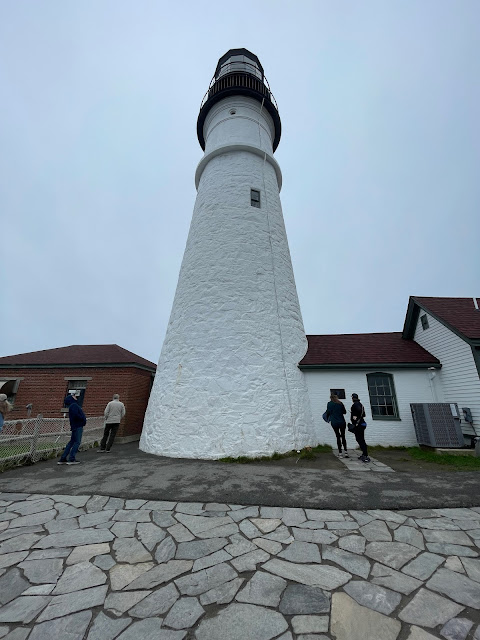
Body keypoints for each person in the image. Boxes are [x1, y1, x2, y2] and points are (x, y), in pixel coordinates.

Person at [58, 391, 87, 465]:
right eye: (74, 396)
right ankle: (72, 458)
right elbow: (76, 415)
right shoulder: (74, 405)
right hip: (77, 426)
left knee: (71, 442)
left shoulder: (72, 406)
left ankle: (63, 458)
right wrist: (82, 419)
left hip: (75, 426)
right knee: (77, 442)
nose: (75, 397)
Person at [325, 393, 349, 458]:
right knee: (343, 436)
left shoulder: (329, 404)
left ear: (331, 398)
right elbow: (344, 412)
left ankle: (340, 453)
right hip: (342, 421)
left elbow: (328, 412)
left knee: (338, 436)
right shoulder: (340, 403)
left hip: (334, 422)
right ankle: (346, 452)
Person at [351, 392, 370, 463]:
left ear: (353, 398)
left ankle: (365, 455)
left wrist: (354, 421)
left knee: (360, 439)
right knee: (361, 439)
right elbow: (363, 414)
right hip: (362, 423)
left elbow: (354, 416)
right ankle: (364, 453)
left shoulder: (354, 405)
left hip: (358, 425)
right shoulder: (361, 405)